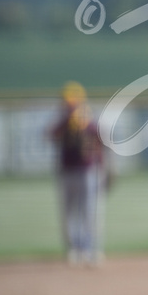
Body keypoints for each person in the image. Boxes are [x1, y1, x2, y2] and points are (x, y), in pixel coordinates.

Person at [50, 81, 109, 267]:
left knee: (90, 212)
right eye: (68, 101)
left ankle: (90, 250)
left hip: (88, 171)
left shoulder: (88, 119)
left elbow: (101, 141)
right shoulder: (64, 120)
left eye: (73, 100)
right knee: (69, 213)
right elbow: (52, 134)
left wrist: (105, 169)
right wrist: (67, 122)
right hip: (68, 171)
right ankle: (74, 250)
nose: (70, 104)